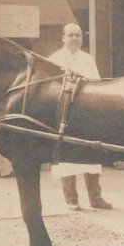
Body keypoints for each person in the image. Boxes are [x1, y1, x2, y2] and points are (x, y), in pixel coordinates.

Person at [48, 23, 113, 211]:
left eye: (77, 35)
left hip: (87, 113)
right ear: (63, 38)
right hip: (65, 115)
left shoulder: (87, 59)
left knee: (92, 155)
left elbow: (97, 84)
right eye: (70, 35)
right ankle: (71, 199)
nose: (75, 38)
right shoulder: (55, 59)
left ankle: (96, 198)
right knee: (67, 157)